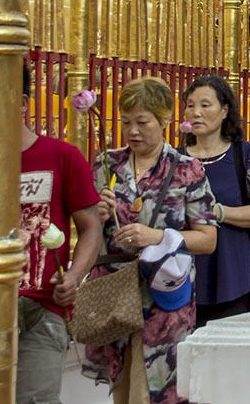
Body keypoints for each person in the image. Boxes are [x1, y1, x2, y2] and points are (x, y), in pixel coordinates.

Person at [83, 76, 218, 404]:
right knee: (123, 388)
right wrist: (96, 216)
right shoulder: (106, 165)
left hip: (162, 298)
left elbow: (208, 239)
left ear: (164, 120)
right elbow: (87, 231)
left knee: (154, 392)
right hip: (114, 294)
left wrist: (159, 236)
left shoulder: (187, 169)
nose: (133, 131)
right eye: (126, 122)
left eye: (142, 122)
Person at [18, 62, 103, 404]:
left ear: (23, 102)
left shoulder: (62, 156)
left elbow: (91, 226)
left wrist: (74, 276)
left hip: (42, 309)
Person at [181, 75, 250, 326]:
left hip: (234, 274)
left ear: (224, 111)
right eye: (190, 105)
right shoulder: (175, 160)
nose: (195, 112)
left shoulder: (243, 154)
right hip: (183, 277)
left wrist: (218, 212)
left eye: (205, 105)